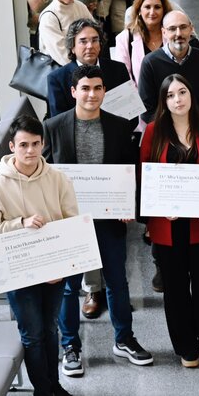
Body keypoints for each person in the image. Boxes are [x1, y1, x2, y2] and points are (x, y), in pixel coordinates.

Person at [43, 65, 154, 376]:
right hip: (69, 220)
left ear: (105, 91)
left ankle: (124, 339)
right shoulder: (53, 126)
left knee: (117, 281)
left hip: (108, 218)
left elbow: (129, 171)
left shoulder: (120, 127)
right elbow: (46, 174)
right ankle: (70, 346)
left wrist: (128, 205)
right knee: (69, 287)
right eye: (86, 89)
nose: (92, 94)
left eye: (98, 88)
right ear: (74, 92)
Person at [0, 115, 78, 396]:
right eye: (23, 145)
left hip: (54, 271)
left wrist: (60, 268)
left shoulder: (58, 179)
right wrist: (20, 222)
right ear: (12, 146)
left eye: (35, 144)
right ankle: (42, 390)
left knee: (49, 330)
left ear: (43, 144)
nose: (30, 150)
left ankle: (54, 386)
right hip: (19, 273)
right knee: (32, 335)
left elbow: (72, 222)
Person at [140, 74, 199, 367]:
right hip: (169, 224)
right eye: (170, 95)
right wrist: (160, 206)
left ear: (191, 95)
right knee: (175, 288)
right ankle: (186, 345)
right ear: (164, 102)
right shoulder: (153, 131)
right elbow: (146, 176)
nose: (177, 99)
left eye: (182, 92)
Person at [137, 11, 199, 124]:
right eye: (172, 29)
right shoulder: (150, 63)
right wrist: (179, 125)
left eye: (183, 27)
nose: (178, 34)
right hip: (165, 133)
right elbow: (147, 111)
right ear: (164, 32)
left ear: (191, 29)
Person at [47, 19, 130, 118]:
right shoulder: (57, 79)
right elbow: (59, 121)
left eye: (95, 40)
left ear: (100, 44)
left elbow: (131, 111)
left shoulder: (118, 69)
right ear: (72, 47)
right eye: (83, 42)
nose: (90, 46)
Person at [113, 0, 172, 89]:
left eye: (157, 7)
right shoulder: (124, 38)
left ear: (164, 10)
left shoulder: (172, 33)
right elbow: (123, 77)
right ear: (139, 10)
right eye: (147, 7)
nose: (152, 12)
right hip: (139, 100)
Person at [38, 0, 95, 66]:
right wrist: (84, 71)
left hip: (85, 66)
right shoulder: (48, 17)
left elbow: (95, 35)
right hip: (61, 71)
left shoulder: (80, 7)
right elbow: (61, 55)